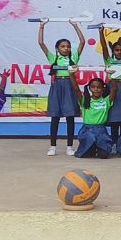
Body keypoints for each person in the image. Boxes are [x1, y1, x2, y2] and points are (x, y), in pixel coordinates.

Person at [38, 19, 85, 156]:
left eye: (68, 46)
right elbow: (41, 43)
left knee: (70, 117)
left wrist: (75, 25)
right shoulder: (53, 58)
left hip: (70, 86)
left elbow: (82, 42)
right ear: (57, 49)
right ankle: (52, 146)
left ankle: (70, 146)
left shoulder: (74, 57)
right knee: (55, 117)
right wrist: (42, 26)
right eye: (63, 46)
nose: (66, 48)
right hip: (57, 87)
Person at [73, 76, 117, 159]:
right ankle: (91, 148)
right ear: (89, 88)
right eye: (93, 87)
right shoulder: (85, 100)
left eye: (99, 87)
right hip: (87, 130)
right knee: (86, 154)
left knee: (104, 155)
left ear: (102, 88)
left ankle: (98, 148)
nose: (96, 89)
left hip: (101, 131)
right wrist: (72, 74)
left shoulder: (106, 101)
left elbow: (114, 89)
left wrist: (112, 76)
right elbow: (76, 89)